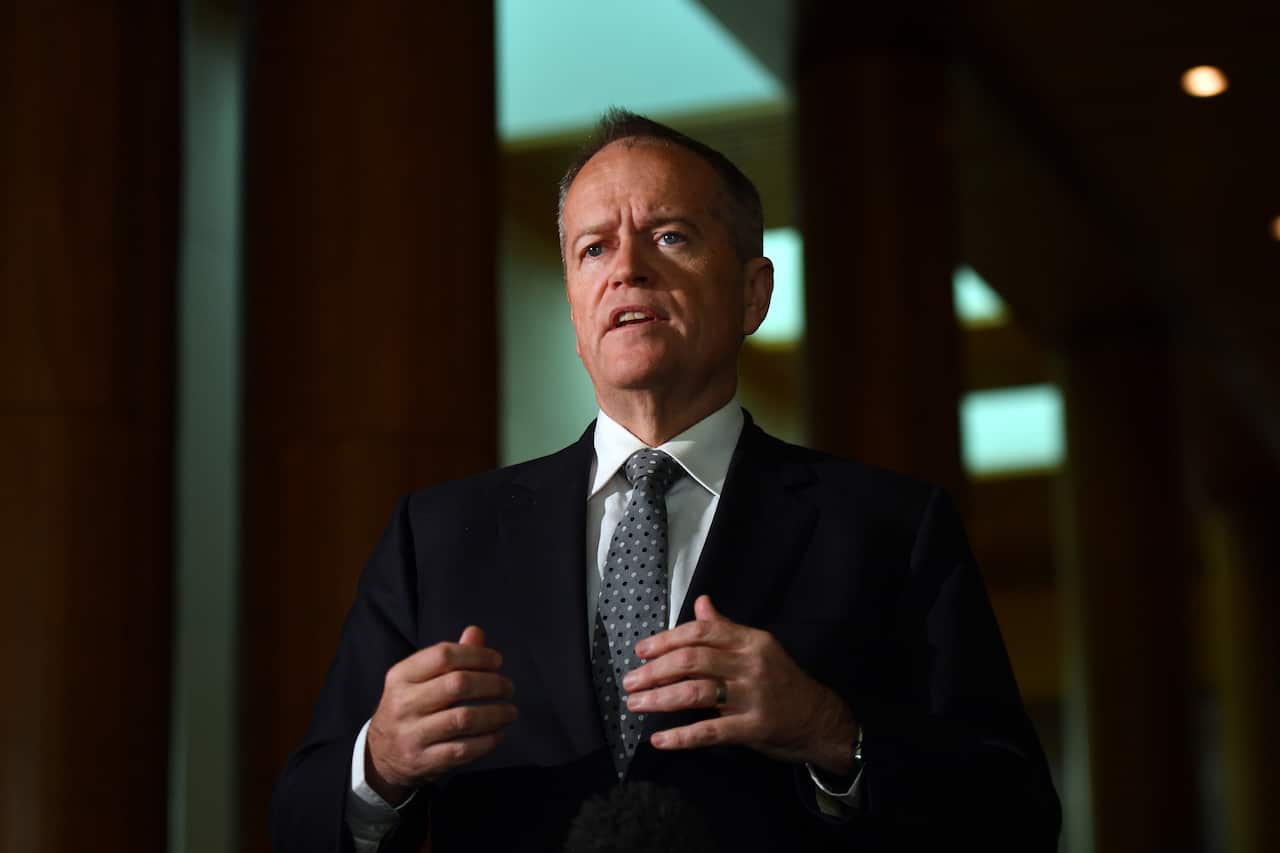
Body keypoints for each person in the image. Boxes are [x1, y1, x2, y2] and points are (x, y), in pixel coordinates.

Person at [270, 109, 1061, 852]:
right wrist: (379, 765)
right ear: (577, 318)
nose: (628, 270)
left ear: (754, 292)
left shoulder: (891, 528)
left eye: (670, 236)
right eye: (593, 249)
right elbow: (299, 817)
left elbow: (1016, 815)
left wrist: (830, 730)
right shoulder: (437, 537)